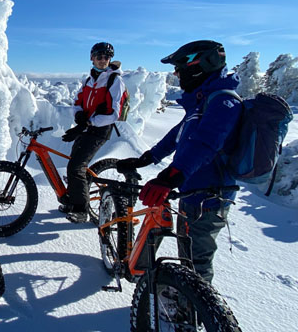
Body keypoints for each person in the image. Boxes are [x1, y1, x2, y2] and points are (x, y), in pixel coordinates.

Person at [117, 40, 242, 283]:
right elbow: (179, 134)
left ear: (197, 66)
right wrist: (149, 157)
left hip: (208, 197)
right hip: (192, 191)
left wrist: (170, 176)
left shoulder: (223, 101)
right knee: (187, 256)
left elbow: (206, 142)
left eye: (179, 68)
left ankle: (195, 316)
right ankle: (187, 308)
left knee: (196, 265)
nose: (176, 73)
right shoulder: (203, 100)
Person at [60, 42, 126, 223]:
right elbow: (78, 100)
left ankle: (81, 210)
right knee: (73, 163)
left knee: (76, 167)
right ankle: (73, 200)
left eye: (106, 57)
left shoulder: (114, 80)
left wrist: (88, 123)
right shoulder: (89, 79)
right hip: (86, 127)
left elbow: (113, 113)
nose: (103, 60)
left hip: (99, 130)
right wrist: (79, 115)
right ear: (92, 58)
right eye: (99, 56)